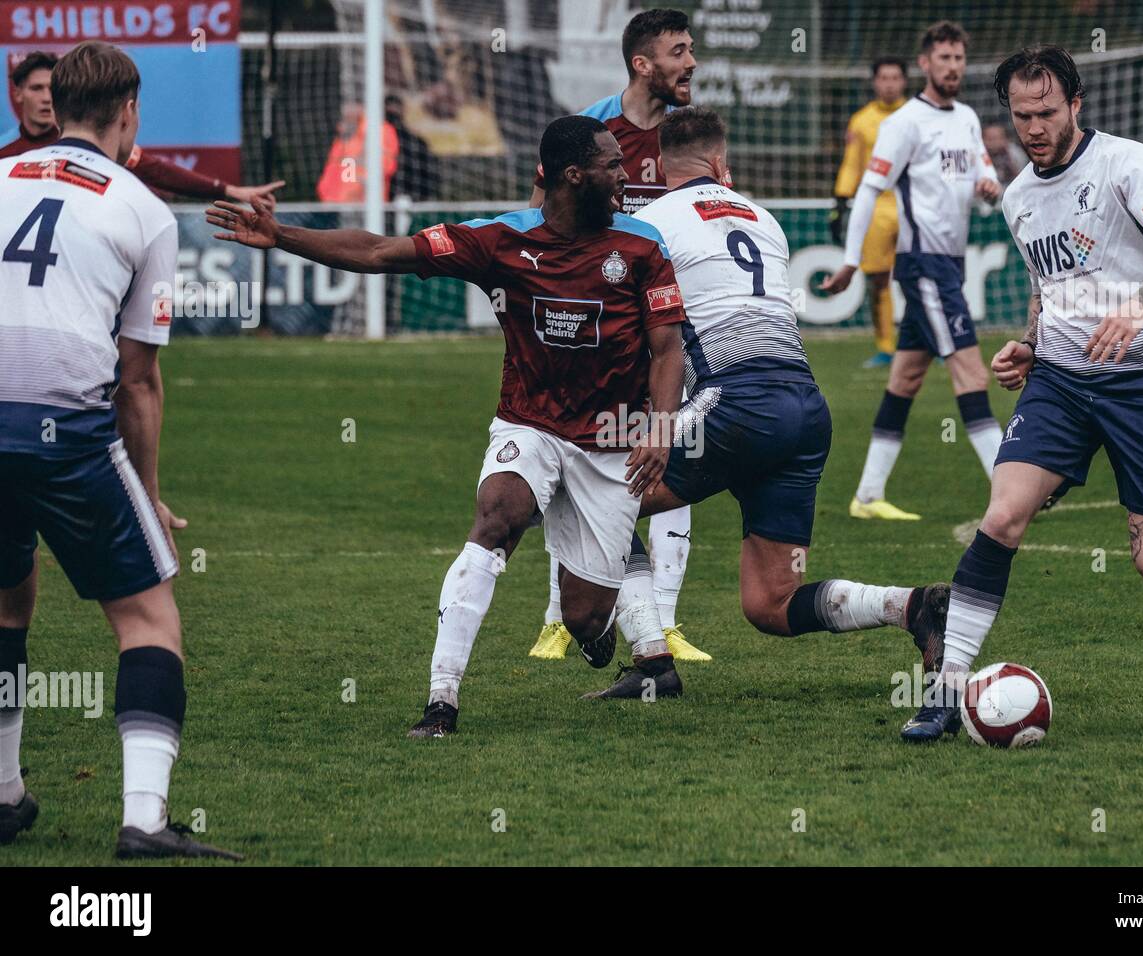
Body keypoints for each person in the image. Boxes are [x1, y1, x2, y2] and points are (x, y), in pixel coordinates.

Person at [208, 115, 687, 735]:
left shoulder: (644, 245)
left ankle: (593, 625)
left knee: (585, 620)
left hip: (609, 443)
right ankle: (441, 702)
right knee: (495, 518)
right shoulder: (500, 239)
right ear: (575, 175)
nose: (626, 176)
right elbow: (380, 251)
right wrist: (281, 235)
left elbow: (667, 348)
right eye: (613, 165)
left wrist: (661, 426)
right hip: (530, 425)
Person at [898, 45, 1143, 741]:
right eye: (1020, 116)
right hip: (1061, 386)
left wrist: (1137, 307)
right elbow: (1049, 291)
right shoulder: (1016, 196)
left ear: (1076, 103)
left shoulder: (1126, 163)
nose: (1033, 128)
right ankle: (945, 692)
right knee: (1003, 516)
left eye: (1045, 112)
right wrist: (1032, 345)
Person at [584, 107, 950, 700]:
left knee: (595, 494)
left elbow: (639, 333)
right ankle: (910, 608)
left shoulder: (648, 225)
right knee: (770, 602)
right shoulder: (765, 219)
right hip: (804, 409)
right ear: (722, 163)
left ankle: (649, 657)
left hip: (734, 405)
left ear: (657, 164)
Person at [0, 41, 239, 859]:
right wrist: (152, 493)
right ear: (130, 111)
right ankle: (143, 819)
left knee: (4, 604)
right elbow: (137, 380)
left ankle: (4, 794)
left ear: (49, 105)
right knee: (147, 620)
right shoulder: (141, 208)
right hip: (64, 432)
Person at [527, 8, 710, 664]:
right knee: (572, 466)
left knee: (674, 461)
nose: (691, 62)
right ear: (643, 63)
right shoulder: (591, 130)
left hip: (666, 332)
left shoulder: (689, 139)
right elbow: (544, 219)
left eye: (691, 49)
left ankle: (663, 620)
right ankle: (559, 614)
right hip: (594, 339)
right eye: (679, 51)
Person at [822, 21, 1004, 523]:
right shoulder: (904, 122)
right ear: (925, 63)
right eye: (944, 58)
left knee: (905, 379)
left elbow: (984, 170)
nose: (953, 67)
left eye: (959, 59)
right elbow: (867, 190)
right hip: (924, 266)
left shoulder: (966, 117)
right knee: (971, 370)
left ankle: (867, 496)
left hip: (949, 263)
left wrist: (990, 186)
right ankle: (1010, 485)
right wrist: (851, 261)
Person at [1, 50, 283, 205]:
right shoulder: (6, 155)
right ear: (17, 94)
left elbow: (156, 170)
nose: (46, 97)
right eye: (37, 88)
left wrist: (229, 191)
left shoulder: (90, 145)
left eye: (51, 88)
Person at [831, 56, 908, 369]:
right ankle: (886, 347)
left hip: (911, 204)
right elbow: (852, 164)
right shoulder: (861, 120)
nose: (889, 83)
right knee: (879, 279)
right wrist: (840, 201)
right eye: (883, 77)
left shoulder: (916, 115)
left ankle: (936, 344)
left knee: (924, 276)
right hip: (876, 207)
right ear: (875, 82)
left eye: (895, 77)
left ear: (904, 81)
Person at [315, 102, 399, 203]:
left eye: (352, 104)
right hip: (341, 203)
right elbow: (338, 168)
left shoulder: (380, 130)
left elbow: (386, 166)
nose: (346, 109)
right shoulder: (347, 136)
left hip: (366, 203)